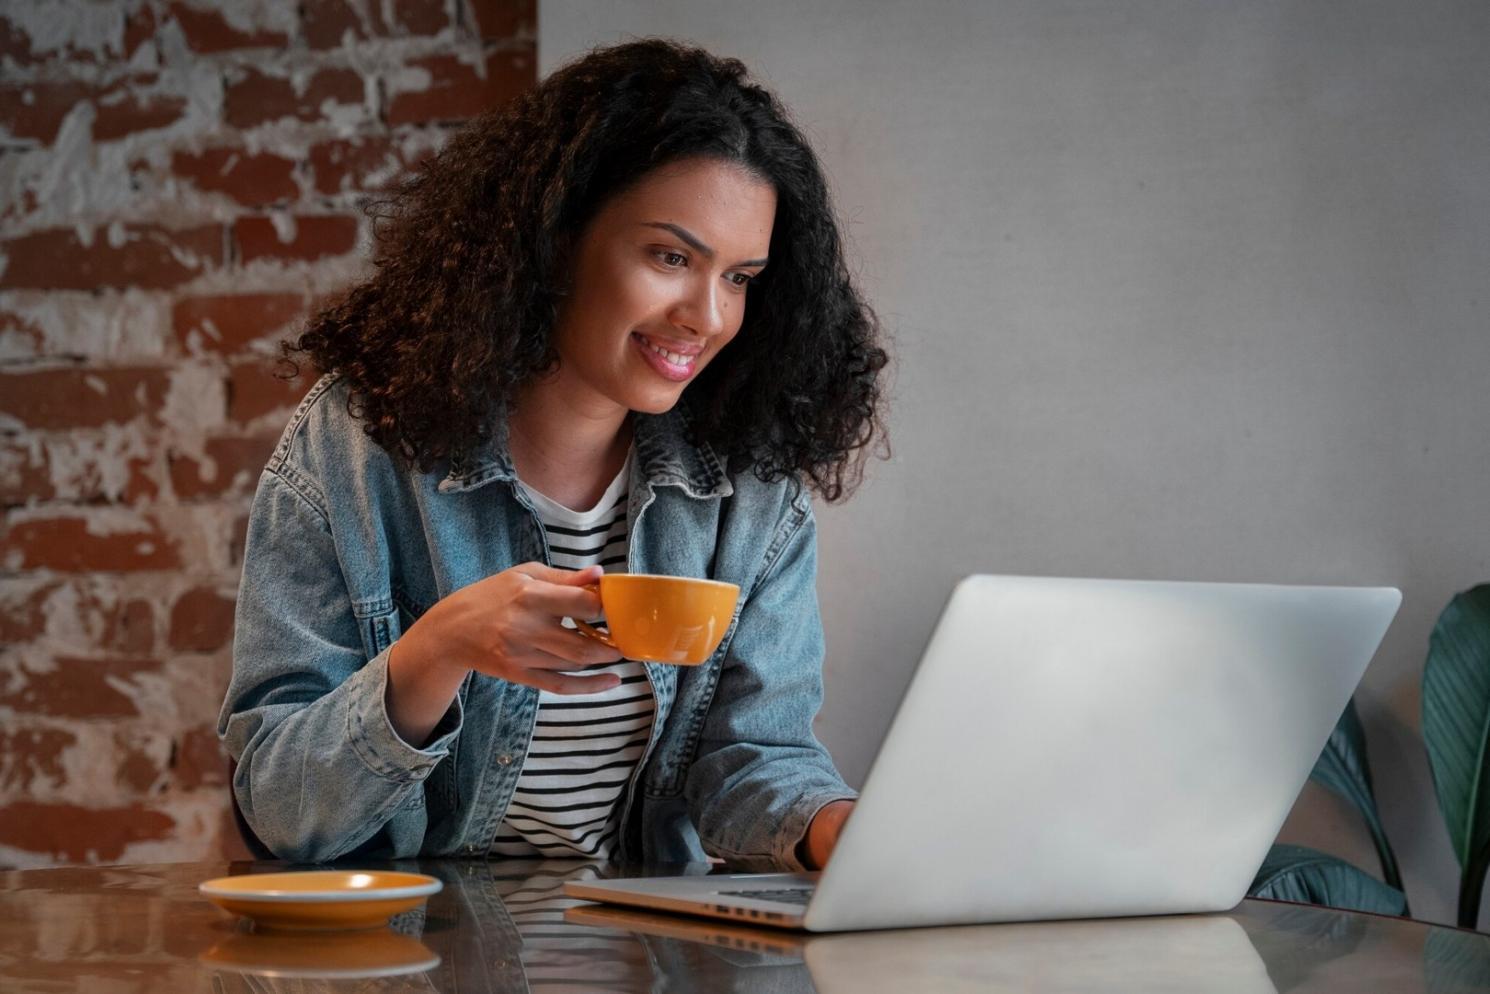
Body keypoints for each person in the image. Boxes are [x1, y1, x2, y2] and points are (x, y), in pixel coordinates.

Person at [218, 38, 888, 870]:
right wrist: (440, 648)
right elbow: (280, 810)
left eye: (740, 277)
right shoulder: (356, 451)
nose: (706, 316)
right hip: (414, 957)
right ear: (557, 238)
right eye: (671, 257)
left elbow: (753, 761)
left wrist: (841, 833)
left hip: (646, 956)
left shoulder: (747, 487)